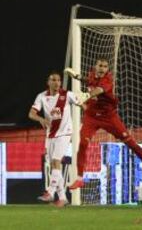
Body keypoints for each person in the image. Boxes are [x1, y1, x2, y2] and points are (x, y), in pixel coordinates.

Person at [65, 57, 142, 190]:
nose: (102, 69)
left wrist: (87, 96)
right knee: (82, 143)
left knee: (130, 143)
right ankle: (80, 178)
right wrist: (77, 76)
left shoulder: (108, 80)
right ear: (95, 66)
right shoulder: (92, 75)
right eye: (100, 66)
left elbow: (98, 90)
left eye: (105, 66)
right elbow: (89, 81)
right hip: (91, 116)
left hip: (109, 117)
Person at [29, 71, 79, 207]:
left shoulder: (67, 95)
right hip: (50, 135)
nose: (57, 82)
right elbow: (31, 113)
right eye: (54, 80)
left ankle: (50, 192)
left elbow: (82, 103)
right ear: (48, 82)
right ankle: (62, 197)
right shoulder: (42, 96)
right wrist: (41, 119)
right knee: (53, 166)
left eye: (59, 80)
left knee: (57, 161)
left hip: (65, 133)